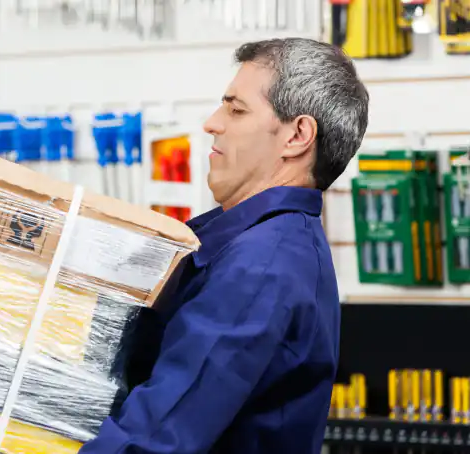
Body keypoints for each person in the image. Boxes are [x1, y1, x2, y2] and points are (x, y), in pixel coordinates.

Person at [78, 38, 369, 453]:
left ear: (297, 136)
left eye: (236, 109)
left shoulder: (261, 267)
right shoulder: (256, 243)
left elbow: (156, 440)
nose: (212, 122)